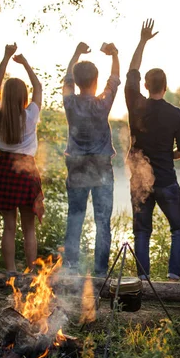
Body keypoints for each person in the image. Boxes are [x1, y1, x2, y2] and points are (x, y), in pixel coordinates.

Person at [125, 19, 180, 281]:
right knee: (178, 230)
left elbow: (132, 70)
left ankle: (143, 279)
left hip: (140, 181)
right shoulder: (176, 114)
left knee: (142, 231)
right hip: (166, 180)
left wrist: (142, 41)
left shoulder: (135, 103)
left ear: (145, 86)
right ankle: (173, 279)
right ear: (165, 87)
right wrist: (170, 154)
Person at [0, 43, 43, 287]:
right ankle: (30, 272)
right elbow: (39, 86)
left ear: (4, 97)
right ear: (24, 97)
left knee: (9, 227)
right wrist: (25, 62)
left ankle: (10, 271)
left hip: (4, 169)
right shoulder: (30, 115)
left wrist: (6, 57)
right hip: (26, 170)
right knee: (29, 228)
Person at [62, 41, 120, 277]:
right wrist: (114, 54)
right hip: (100, 167)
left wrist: (76, 53)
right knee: (102, 221)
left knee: (75, 216)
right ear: (96, 81)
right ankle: (100, 272)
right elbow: (114, 80)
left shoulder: (69, 102)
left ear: (77, 83)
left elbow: (66, 78)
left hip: (76, 165)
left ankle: (71, 267)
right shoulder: (102, 103)